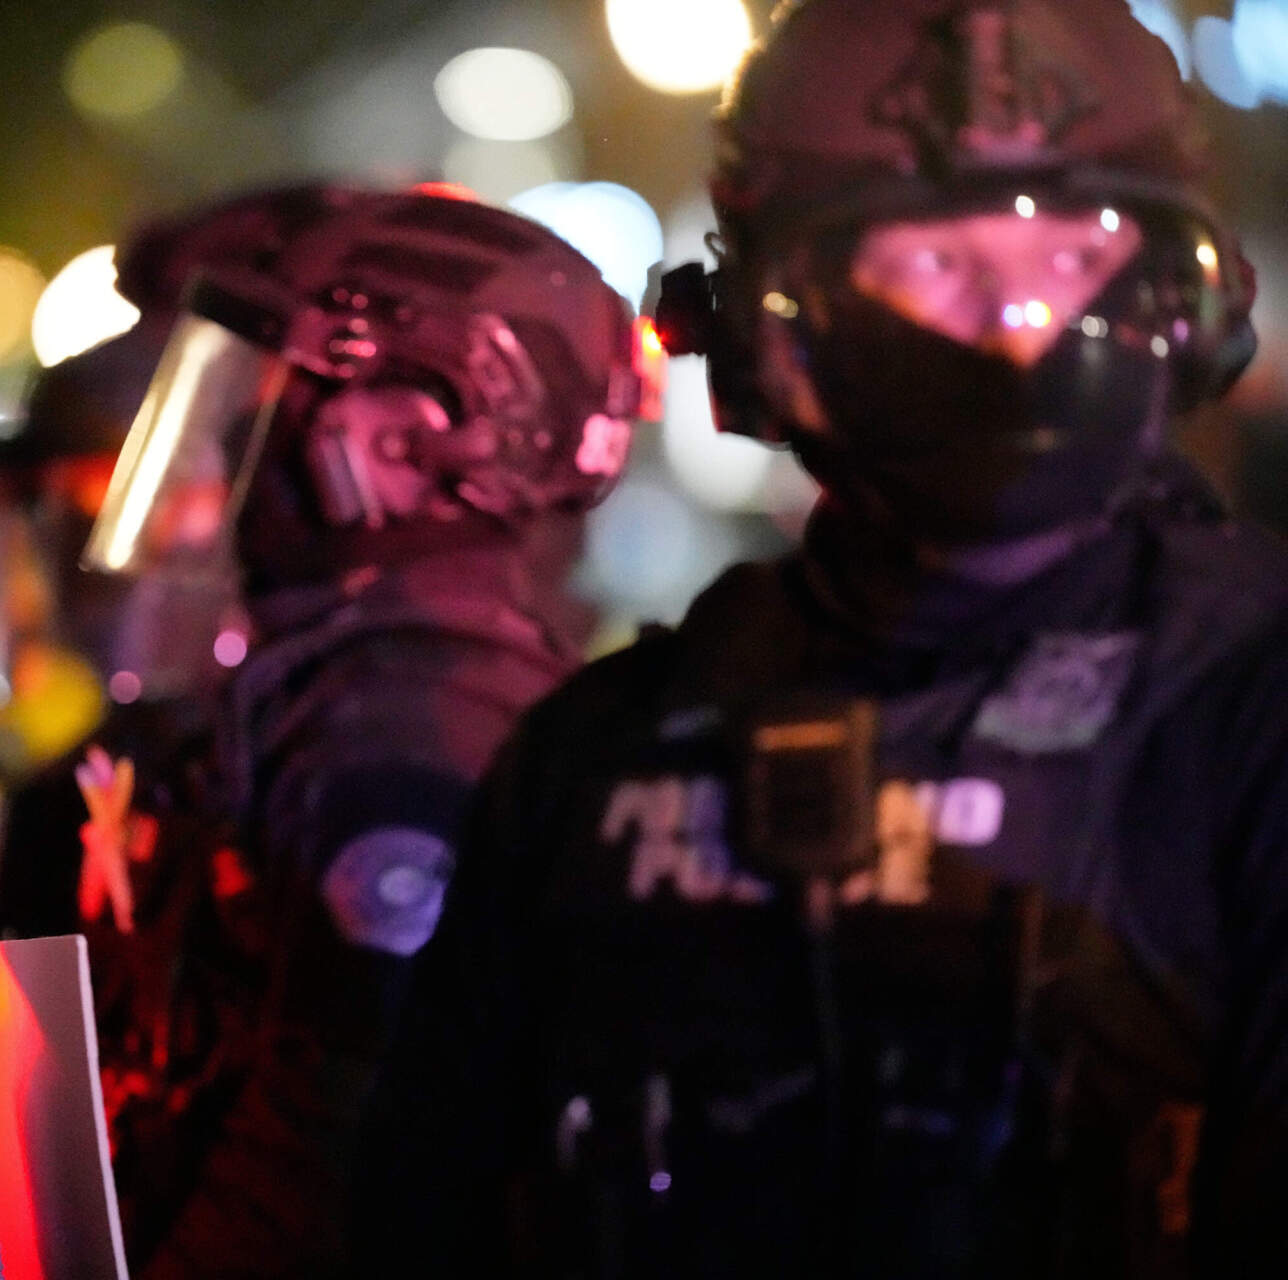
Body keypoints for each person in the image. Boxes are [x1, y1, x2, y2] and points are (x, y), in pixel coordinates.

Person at [356, 1, 1282, 1275]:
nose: (1016, 327)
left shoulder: (1252, 710)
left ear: (1188, 294)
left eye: (1073, 258)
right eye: (936, 264)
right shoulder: (599, 754)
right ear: (763, 324)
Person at [84, 185, 654, 1277]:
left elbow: (332, 1155)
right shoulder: (363, 680)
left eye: (262, 391)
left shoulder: (408, 724)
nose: (230, 436)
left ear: (404, 435)